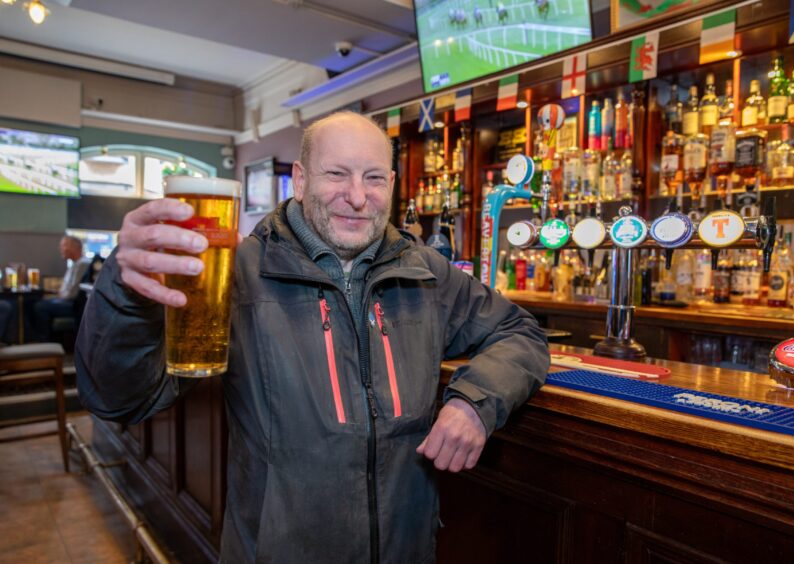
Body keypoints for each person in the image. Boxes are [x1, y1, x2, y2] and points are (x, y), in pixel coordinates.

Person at [75, 111, 549, 563]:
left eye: (375, 178)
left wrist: (474, 401)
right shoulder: (237, 275)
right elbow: (119, 399)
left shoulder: (424, 271)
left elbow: (520, 331)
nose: (358, 197)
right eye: (337, 174)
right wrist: (126, 291)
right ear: (300, 180)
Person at [33, 236, 90, 341]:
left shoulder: (83, 264)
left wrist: (58, 296)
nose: (61, 249)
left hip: (74, 305)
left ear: (74, 247)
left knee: (40, 306)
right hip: (68, 301)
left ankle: (44, 341)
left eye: (64, 246)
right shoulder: (75, 264)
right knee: (37, 302)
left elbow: (73, 293)